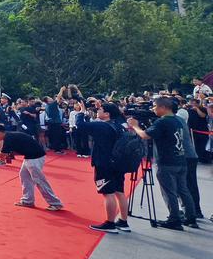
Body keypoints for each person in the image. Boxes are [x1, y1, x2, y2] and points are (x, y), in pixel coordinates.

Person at [126, 97, 198, 230]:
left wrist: (135, 126)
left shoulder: (162, 122)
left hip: (167, 161)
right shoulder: (177, 120)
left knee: (169, 191)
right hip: (181, 159)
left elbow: (145, 135)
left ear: (163, 108)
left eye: (155, 106)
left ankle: (174, 219)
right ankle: (190, 217)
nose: (153, 109)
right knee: (183, 190)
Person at [78, 103, 130, 233]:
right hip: (118, 162)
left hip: (104, 163)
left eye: (100, 109)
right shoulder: (119, 125)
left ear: (107, 114)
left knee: (108, 193)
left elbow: (81, 125)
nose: (97, 111)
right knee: (119, 191)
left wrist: (82, 112)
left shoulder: (101, 125)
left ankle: (110, 223)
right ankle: (123, 221)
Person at [0, 123, 63, 211]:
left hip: (34, 157)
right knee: (24, 176)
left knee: (39, 180)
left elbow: (3, 153)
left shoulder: (8, 138)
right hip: (31, 156)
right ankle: (28, 201)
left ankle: (55, 203)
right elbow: (5, 151)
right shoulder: (10, 135)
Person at [187, 95, 211, 164]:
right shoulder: (189, 110)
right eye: (191, 103)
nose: (192, 104)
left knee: (203, 144)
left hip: (202, 130)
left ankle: (206, 159)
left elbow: (203, 116)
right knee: (196, 145)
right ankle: (199, 158)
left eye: (194, 103)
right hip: (193, 130)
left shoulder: (203, 109)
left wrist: (197, 109)